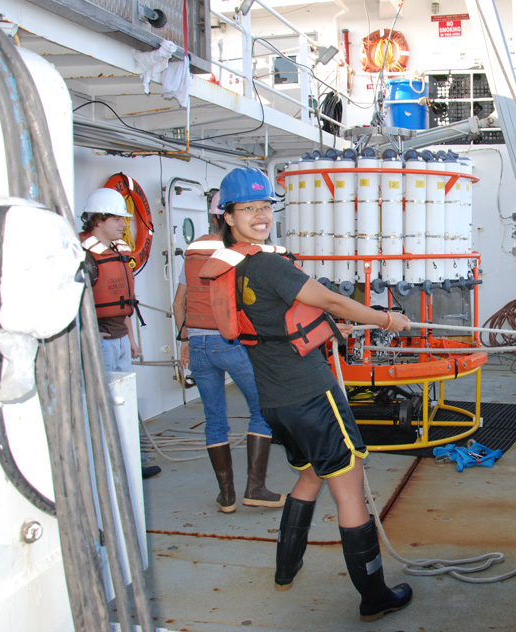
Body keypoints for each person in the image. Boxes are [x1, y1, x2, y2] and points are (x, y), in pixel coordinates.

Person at [211, 167, 414, 622]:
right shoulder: (268, 265)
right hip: (311, 398)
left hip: (276, 402)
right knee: (350, 490)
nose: (261, 216)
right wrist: (386, 320)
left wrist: (326, 329)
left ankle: (287, 570)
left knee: (308, 478)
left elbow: (275, 326)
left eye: (265, 207)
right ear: (228, 216)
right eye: (249, 209)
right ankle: (375, 596)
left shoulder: (235, 267)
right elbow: (333, 300)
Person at [172, 194, 285, 513]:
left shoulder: (193, 250)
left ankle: (226, 496)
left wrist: (184, 340)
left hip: (197, 345)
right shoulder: (238, 252)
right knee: (261, 409)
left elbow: (179, 303)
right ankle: (256, 488)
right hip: (230, 343)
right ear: (230, 217)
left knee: (215, 420)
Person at [80, 187, 160, 479]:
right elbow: (76, 305)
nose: (123, 225)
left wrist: (132, 339)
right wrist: (88, 337)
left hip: (121, 340)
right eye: (117, 219)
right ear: (99, 220)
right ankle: (104, 467)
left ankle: (130, 464)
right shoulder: (84, 257)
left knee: (124, 402)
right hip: (100, 343)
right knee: (102, 405)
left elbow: (125, 303)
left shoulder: (118, 252)